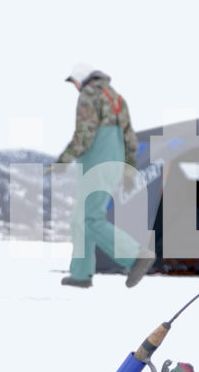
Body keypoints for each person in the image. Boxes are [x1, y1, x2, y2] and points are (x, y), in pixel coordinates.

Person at [54, 64, 152, 288]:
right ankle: (80, 273)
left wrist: (63, 160)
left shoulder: (89, 95)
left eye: (75, 82)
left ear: (82, 79)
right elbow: (130, 139)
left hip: (96, 164)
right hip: (113, 164)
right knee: (79, 219)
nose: (75, 87)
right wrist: (128, 170)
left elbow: (85, 134)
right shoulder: (117, 99)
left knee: (91, 219)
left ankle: (135, 255)